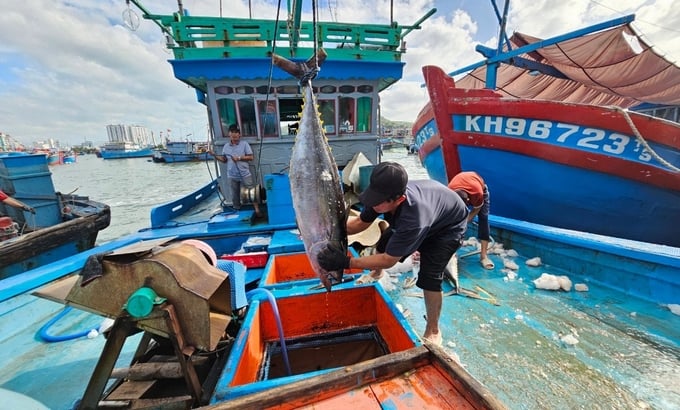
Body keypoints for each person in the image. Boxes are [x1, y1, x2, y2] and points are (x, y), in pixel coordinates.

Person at [318, 162, 468, 346]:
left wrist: (346, 262)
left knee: (430, 276)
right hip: (432, 209)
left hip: (448, 228)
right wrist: (327, 229)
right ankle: (376, 273)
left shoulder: (414, 219)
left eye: (378, 201)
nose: (373, 203)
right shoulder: (382, 197)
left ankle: (433, 329)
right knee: (384, 241)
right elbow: (360, 223)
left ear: (398, 199)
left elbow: (389, 260)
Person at [209, 124, 263, 218]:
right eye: (232, 132)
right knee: (235, 195)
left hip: (245, 173)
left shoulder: (244, 144)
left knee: (252, 192)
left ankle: (257, 210)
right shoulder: (226, 146)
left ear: (239, 134)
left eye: (236, 132)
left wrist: (239, 158)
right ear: (229, 134)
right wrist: (214, 155)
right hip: (232, 175)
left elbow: (251, 157)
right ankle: (237, 212)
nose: (234, 134)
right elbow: (224, 160)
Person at [447, 172, 493, 269]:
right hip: (460, 186)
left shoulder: (477, 193)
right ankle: (450, 253)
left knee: (484, 218)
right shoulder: (449, 192)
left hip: (480, 189)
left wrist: (465, 221)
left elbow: (476, 209)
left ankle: (484, 256)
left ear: (468, 200)